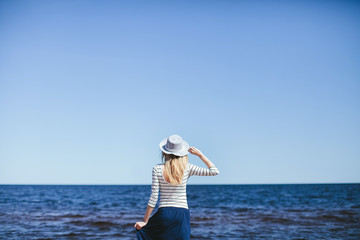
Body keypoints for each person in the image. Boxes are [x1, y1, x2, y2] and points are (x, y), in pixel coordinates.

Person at [134, 134, 220, 240]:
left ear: (165, 152)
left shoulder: (157, 169)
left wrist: (145, 221)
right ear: (182, 152)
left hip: (164, 213)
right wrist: (200, 155)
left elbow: (153, 197)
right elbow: (214, 171)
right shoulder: (188, 168)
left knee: (146, 234)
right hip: (182, 214)